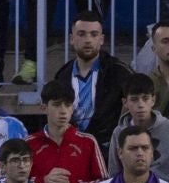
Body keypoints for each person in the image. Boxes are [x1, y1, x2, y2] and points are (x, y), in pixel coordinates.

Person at [52, 11, 135, 146]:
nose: (88, 40)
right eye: (81, 34)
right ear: (71, 39)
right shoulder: (62, 75)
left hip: (109, 149)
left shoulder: (120, 72)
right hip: (72, 148)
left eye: (94, 34)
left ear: (101, 39)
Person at [30, 82, 109, 183]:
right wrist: (44, 180)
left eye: (67, 105)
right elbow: (17, 182)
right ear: (44, 108)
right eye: (57, 105)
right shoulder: (30, 143)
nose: (63, 111)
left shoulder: (88, 142)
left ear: (72, 108)